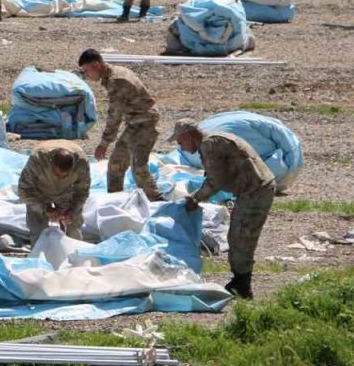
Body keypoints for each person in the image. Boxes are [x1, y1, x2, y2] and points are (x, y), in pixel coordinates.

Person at [171, 118, 275, 300]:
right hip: (251, 189)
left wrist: (195, 199)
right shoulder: (213, 140)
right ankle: (240, 281)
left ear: (189, 135)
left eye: (181, 142)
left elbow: (215, 180)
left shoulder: (210, 145)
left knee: (241, 237)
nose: (181, 147)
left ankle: (242, 285)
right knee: (237, 236)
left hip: (255, 191)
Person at [78, 49, 161, 199]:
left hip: (145, 123)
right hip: (134, 123)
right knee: (116, 163)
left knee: (138, 167)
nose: (87, 76)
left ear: (96, 65)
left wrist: (104, 143)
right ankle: (115, 201)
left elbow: (115, 115)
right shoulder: (113, 74)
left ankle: (158, 201)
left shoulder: (117, 80)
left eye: (86, 71)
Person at [18, 141, 91, 241]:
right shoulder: (38, 159)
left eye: (65, 176)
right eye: (57, 175)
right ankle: (39, 254)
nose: (60, 178)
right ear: (51, 163)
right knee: (37, 228)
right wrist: (44, 208)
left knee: (73, 229)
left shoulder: (81, 163)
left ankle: (74, 253)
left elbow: (82, 191)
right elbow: (24, 190)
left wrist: (72, 211)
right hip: (40, 192)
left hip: (66, 192)